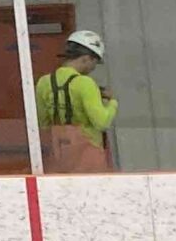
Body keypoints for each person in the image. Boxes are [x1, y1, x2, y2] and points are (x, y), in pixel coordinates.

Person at [36, 29, 116, 173]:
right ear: (86, 58)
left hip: (58, 154)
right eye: (95, 62)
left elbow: (43, 123)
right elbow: (102, 122)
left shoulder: (43, 82)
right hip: (88, 155)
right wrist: (112, 102)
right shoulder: (85, 83)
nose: (93, 68)